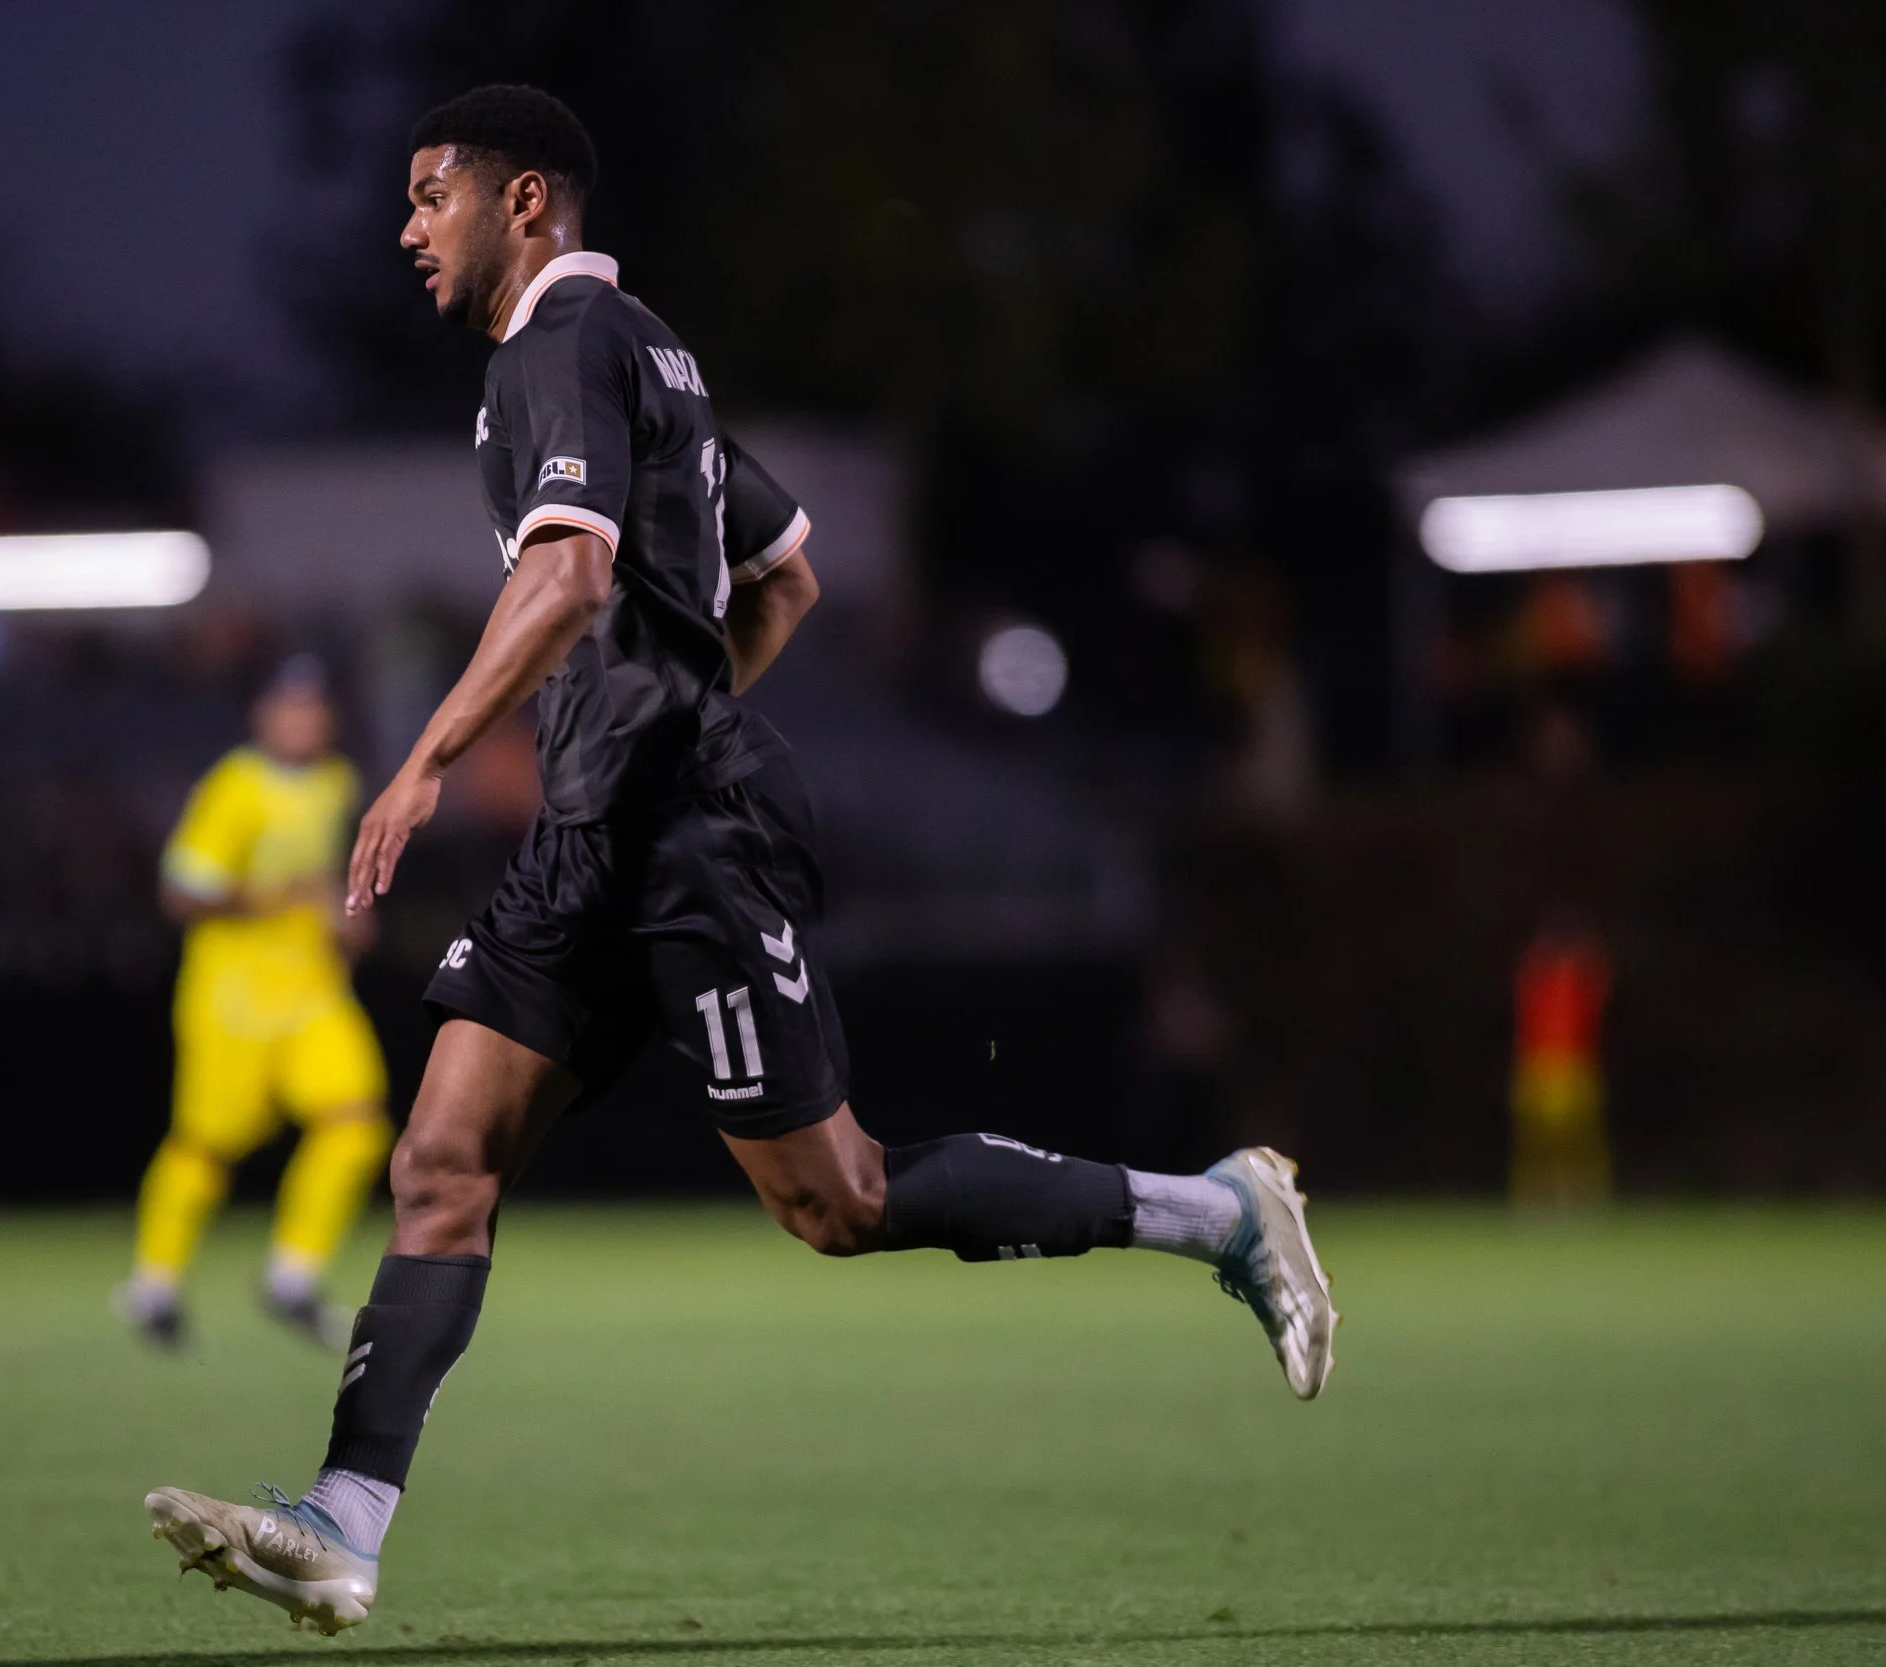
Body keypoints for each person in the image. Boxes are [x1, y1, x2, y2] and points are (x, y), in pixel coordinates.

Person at [144, 85, 1337, 1635]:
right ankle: (343, 1520)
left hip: (682, 838)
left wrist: (438, 754)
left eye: (432, 191)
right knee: (440, 1161)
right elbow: (783, 572)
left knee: (833, 1197)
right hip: (596, 833)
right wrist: (643, 721)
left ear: (526, 204)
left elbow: (572, 573)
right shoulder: (649, 351)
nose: (406, 225)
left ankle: (1219, 1210)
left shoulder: (561, 347)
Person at [119, 656, 393, 1350]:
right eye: (289, 706)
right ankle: (155, 1283)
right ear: (262, 715)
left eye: (314, 706)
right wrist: (278, 898)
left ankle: (292, 1274)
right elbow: (181, 893)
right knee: (207, 1145)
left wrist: (343, 912)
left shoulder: (338, 781)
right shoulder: (234, 787)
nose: (303, 719)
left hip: (309, 989)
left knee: (357, 1122)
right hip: (233, 995)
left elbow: (324, 879)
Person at [1510, 908, 1613, 1208]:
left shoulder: (1581, 978)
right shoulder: (1537, 976)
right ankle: (1536, 1198)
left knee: (1580, 1140)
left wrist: (1582, 956)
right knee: (1535, 1140)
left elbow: (1599, 986)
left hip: (1576, 1063)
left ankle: (1584, 1198)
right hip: (1537, 1063)